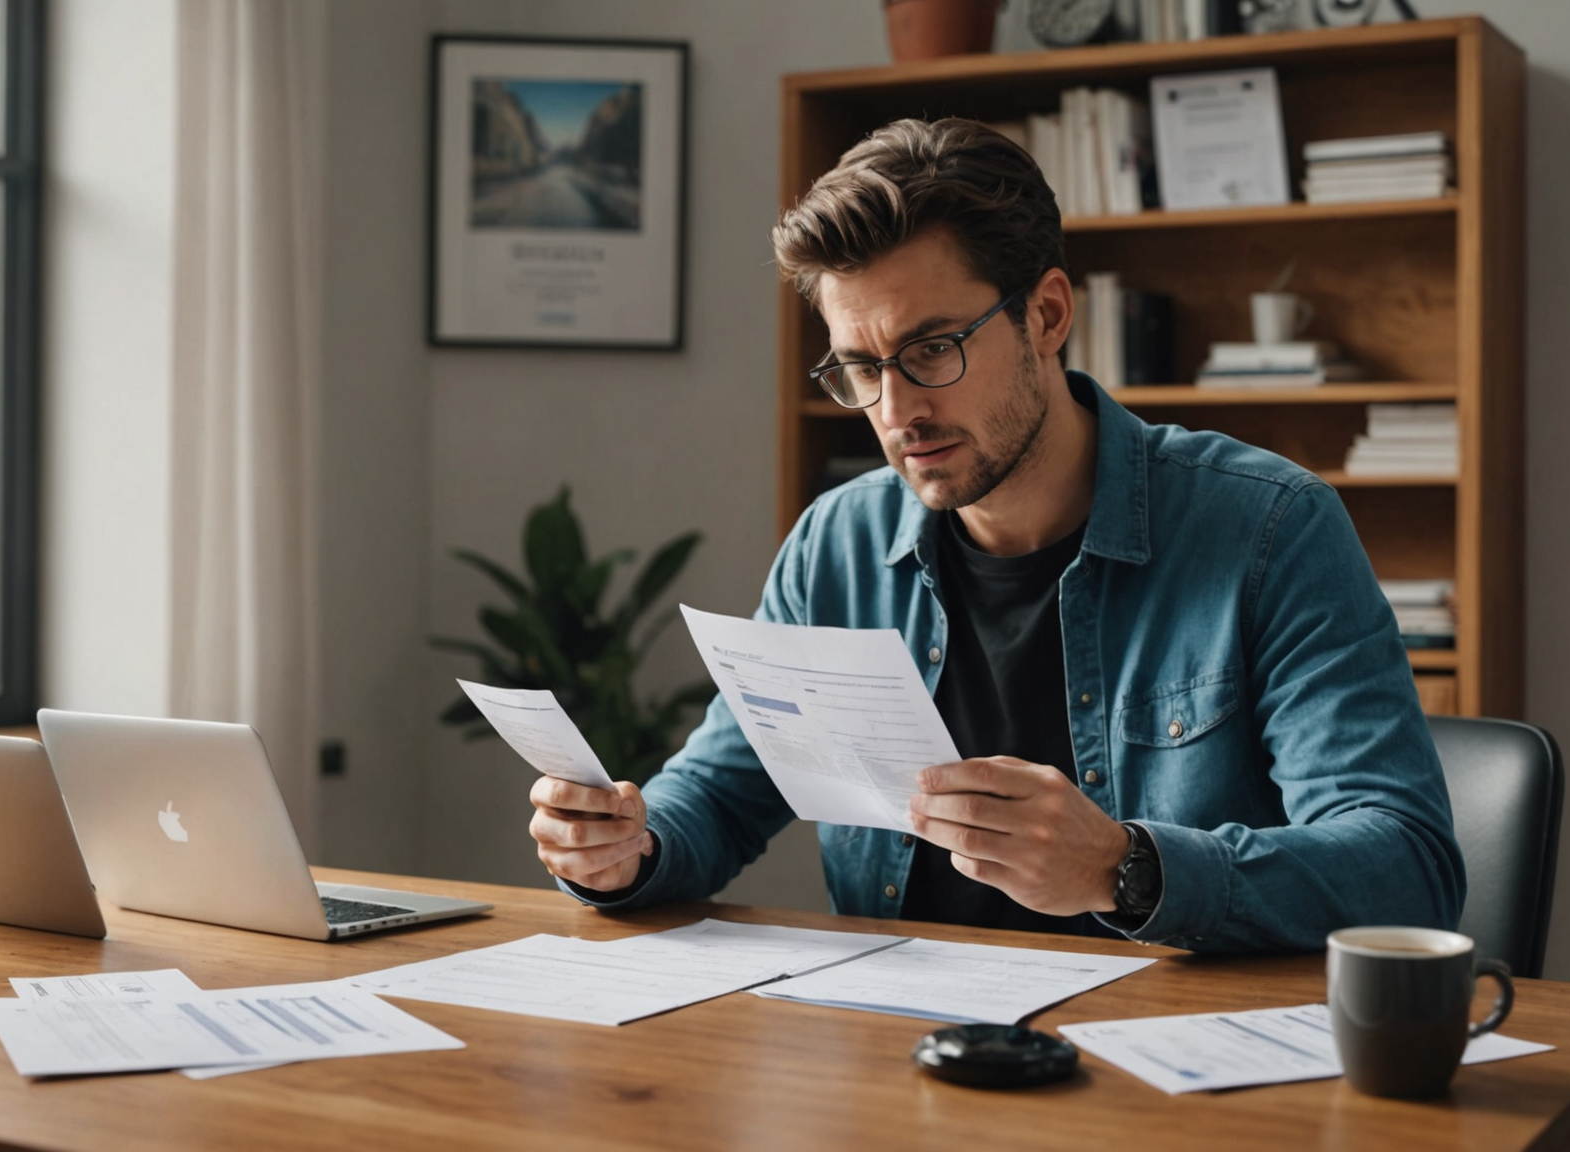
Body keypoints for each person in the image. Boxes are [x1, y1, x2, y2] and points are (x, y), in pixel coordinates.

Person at [526, 117, 1463, 952]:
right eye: (859, 367)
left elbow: (1406, 867)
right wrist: (628, 846)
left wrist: (1125, 869)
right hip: (907, 1055)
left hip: (1170, 1068)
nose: (896, 412)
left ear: (1048, 314)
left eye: (933, 349)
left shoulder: (1268, 529)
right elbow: (724, 793)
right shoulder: (836, 547)